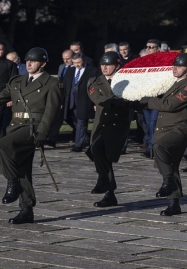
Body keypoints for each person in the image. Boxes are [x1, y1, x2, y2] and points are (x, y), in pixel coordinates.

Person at [0, 47, 62, 224]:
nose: (29, 63)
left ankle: (12, 183)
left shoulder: (51, 83)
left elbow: (52, 111)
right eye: (27, 60)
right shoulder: (17, 81)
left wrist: (43, 132)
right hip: (15, 126)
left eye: (33, 61)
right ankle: (26, 209)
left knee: (3, 145)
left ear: (43, 64)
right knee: (23, 169)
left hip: (32, 129)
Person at [141, 53, 187, 216]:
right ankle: (174, 204)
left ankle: (169, 182)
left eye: (179, 67)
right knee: (170, 164)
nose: (175, 69)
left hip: (181, 128)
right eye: (174, 66)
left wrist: (147, 101)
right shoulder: (174, 83)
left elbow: (169, 105)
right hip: (166, 128)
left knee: (159, 147)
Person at [86, 51, 132, 208]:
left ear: (117, 65)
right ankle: (109, 193)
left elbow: (135, 99)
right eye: (102, 64)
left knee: (99, 150)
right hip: (101, 122)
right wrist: (117, 101)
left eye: (108, 65)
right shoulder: (95, 81)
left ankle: (103, 180)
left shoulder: (127, 80)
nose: (104, 67)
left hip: (117, 124)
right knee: (99, 153)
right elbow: (97, 98)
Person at [64, 53, 99, 152]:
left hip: (84, 100)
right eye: (74, 63)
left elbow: (95, 87)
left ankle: (78, 145)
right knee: (74, 121)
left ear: (83, 60)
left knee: (81, 122)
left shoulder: (92, 71)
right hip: (71, 100)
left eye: (79, 62)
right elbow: (67, 85)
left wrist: (95, 103)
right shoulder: (70, 70)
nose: (77, 65)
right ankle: (85, 139)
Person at [141, 39, 162, 157]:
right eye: (147, 47)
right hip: (145, 98)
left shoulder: (163, 62)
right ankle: (151, 146)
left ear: (158, 49)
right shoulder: (143, 61)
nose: (148, 49)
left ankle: (151, 149)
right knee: (148, 124)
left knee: (154, 123)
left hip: (157, 98)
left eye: (151, 47)